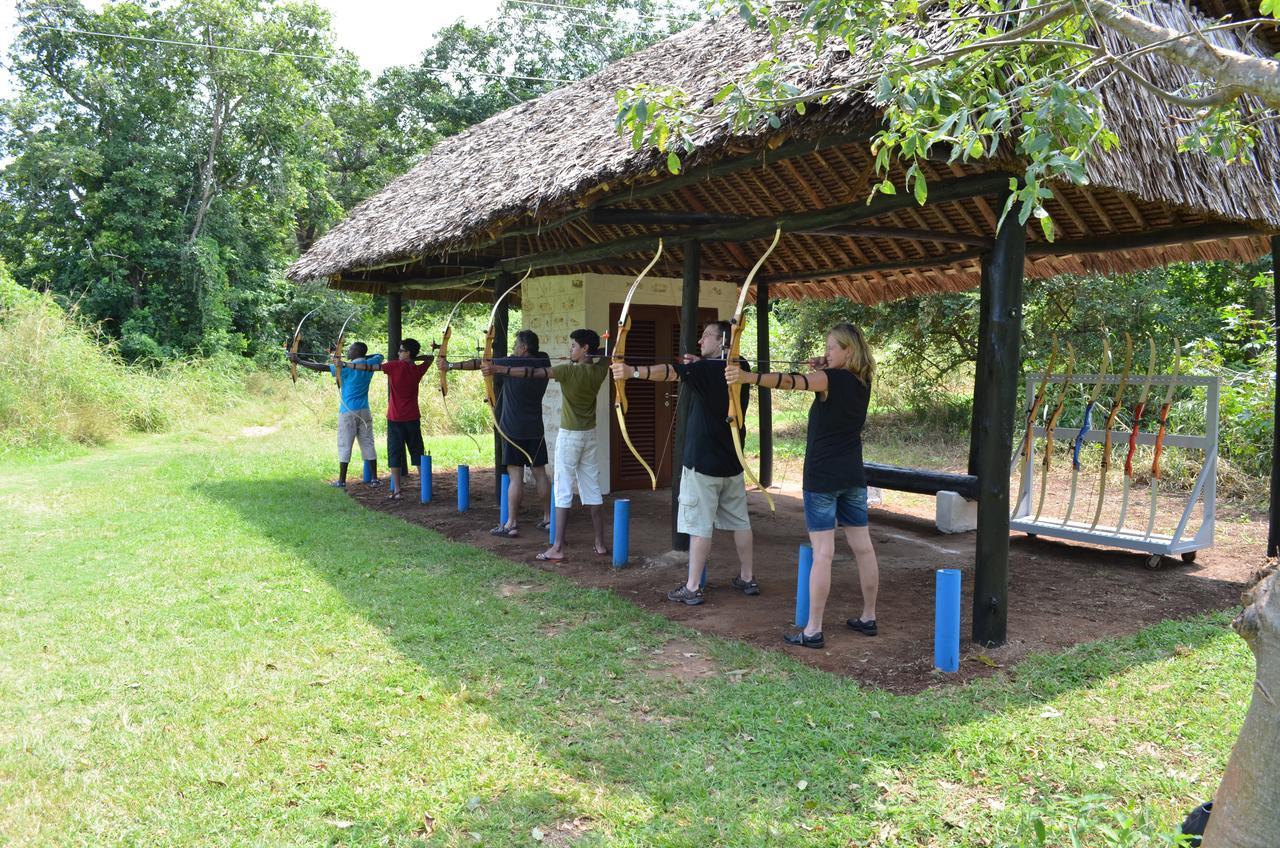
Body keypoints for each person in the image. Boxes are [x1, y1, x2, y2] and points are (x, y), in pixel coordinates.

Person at [726, 322, 880, 648]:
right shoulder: (862, 379)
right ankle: (868, 616)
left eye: (831, 349)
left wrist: (748, 378)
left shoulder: (829, 379)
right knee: (863, 548)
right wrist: (825, 366)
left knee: (823, 553)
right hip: (852, 475)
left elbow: (791, 382)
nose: (825, 353)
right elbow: (824, 381)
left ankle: (812, 630)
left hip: (822, 478)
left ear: (847, 351)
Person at [611, 320, 758, 605]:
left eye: (706, 337)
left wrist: (631, 372)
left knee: (699, 526)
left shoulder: (704, 369)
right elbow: (698, 369)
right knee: (740, 522)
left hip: (702, 463)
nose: (700, 341)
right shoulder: (742, 369)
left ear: (724, 342)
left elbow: (668, 371)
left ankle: (692, 587)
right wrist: (698, 364)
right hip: (732, 461)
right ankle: (748, 577)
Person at [483, 328, 609, 561]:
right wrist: (595, 352)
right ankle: (599, 543)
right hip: (589, 437)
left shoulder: (566, 372)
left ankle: (558, 547)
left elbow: (532, 372)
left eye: (573, 346)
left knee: (562, 491)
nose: (569, 349)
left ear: (584, 349)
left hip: (570, 437)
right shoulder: (600, 370)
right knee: (592, 490)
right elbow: (608, 355)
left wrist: (500, 369)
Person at [443, 329, 552, 537]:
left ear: (524, 348)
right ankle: (548, 519)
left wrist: (450, 366)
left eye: (515, 345)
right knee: (540, 473)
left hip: (512, 429)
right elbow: (485, 362)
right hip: (535, 429)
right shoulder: (544, 362)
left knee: (516, 476)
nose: (513, 349)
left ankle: (511, 524)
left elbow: (480, 363)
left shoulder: (510, 363)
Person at [341, 338, 432, 500]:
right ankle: (426, 489)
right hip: (413, 417)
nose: (398, 353)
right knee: (417, 451)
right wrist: (413, 359)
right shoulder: (418, 369)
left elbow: (368, 367)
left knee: (395, 453)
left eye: (401, 350)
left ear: (407, 353)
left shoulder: (394, 366)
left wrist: (346, 364)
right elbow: (429, 359)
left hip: (395, 418)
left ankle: (397, 490)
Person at [289, 341, 383, 488]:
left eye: (351, 349)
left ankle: (342, 481)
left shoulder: (344, 368)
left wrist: (299, 361)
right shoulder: (370, 364)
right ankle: (375, 479)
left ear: (357, 352)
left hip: (348, 411)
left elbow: (323, 368)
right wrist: (360, 359)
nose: (348, 351)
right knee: (368, 443)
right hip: (364, 410)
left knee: (345, 444)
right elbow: (380, 356)